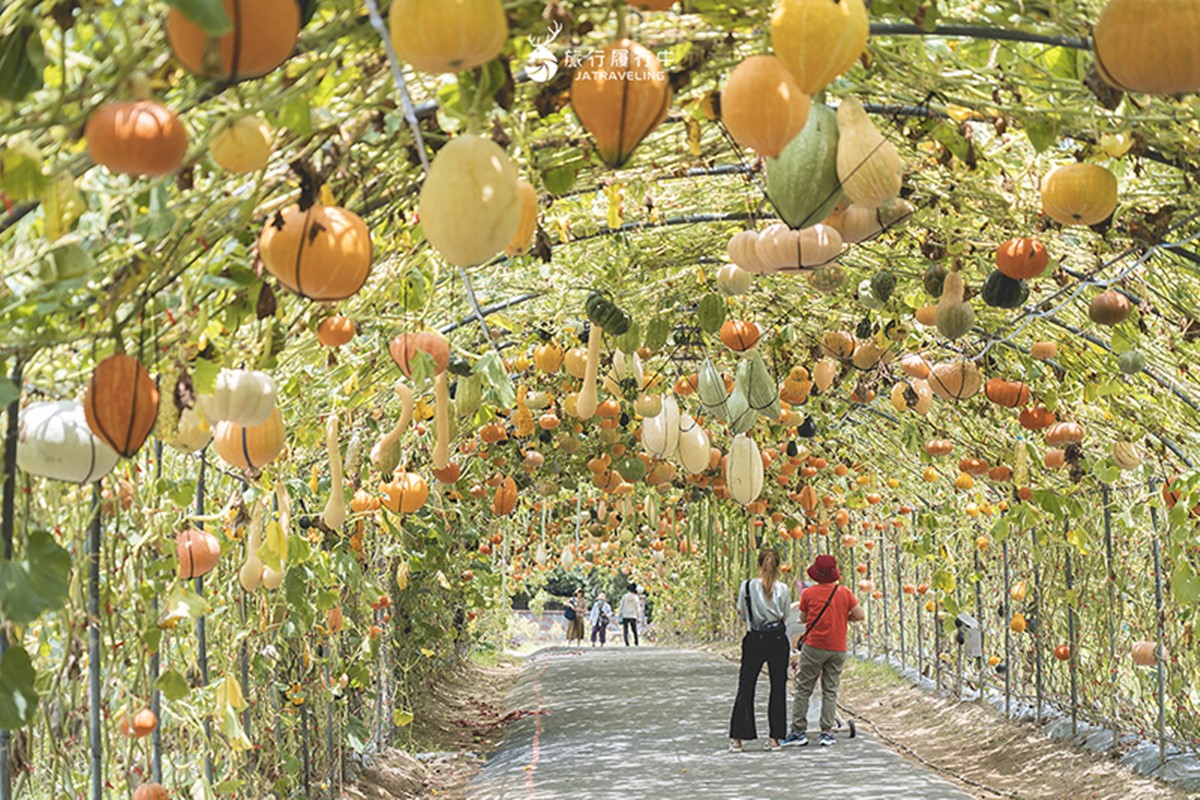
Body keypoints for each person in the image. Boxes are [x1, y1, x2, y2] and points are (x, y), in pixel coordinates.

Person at [782, 555, 865, 748]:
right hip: (838, 648)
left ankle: (798, 732)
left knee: (804, 688)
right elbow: (860, 615)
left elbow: (803, 617)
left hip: (815, 647)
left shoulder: (809, 594)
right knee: (830, 690)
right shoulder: (844, 592)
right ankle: (827, 733)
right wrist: (844, 617)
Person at [729, 547, 790, 753]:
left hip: (755, 638)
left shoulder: (747, 586)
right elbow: (784, 615)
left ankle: (737, 739)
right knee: (778, 687)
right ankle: (775, 739)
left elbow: (741, 614)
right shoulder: (783, 588)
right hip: (778, 638)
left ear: (758, 564)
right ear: (779, 567)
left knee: (746, 687)